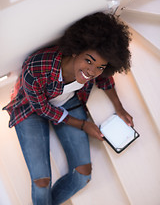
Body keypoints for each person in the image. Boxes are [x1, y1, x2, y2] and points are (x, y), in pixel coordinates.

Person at [3, 12, 133, 205]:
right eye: (88, 60)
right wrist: (83, 125)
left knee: (83, 175)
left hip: (66, 102)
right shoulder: (36, 66)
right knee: (42, 183)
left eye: (100, 66)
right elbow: (43, 109)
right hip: (29, 109)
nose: (91, 71)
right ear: (75, 50)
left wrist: (119, 108)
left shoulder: (97, 72)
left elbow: (105, 79)